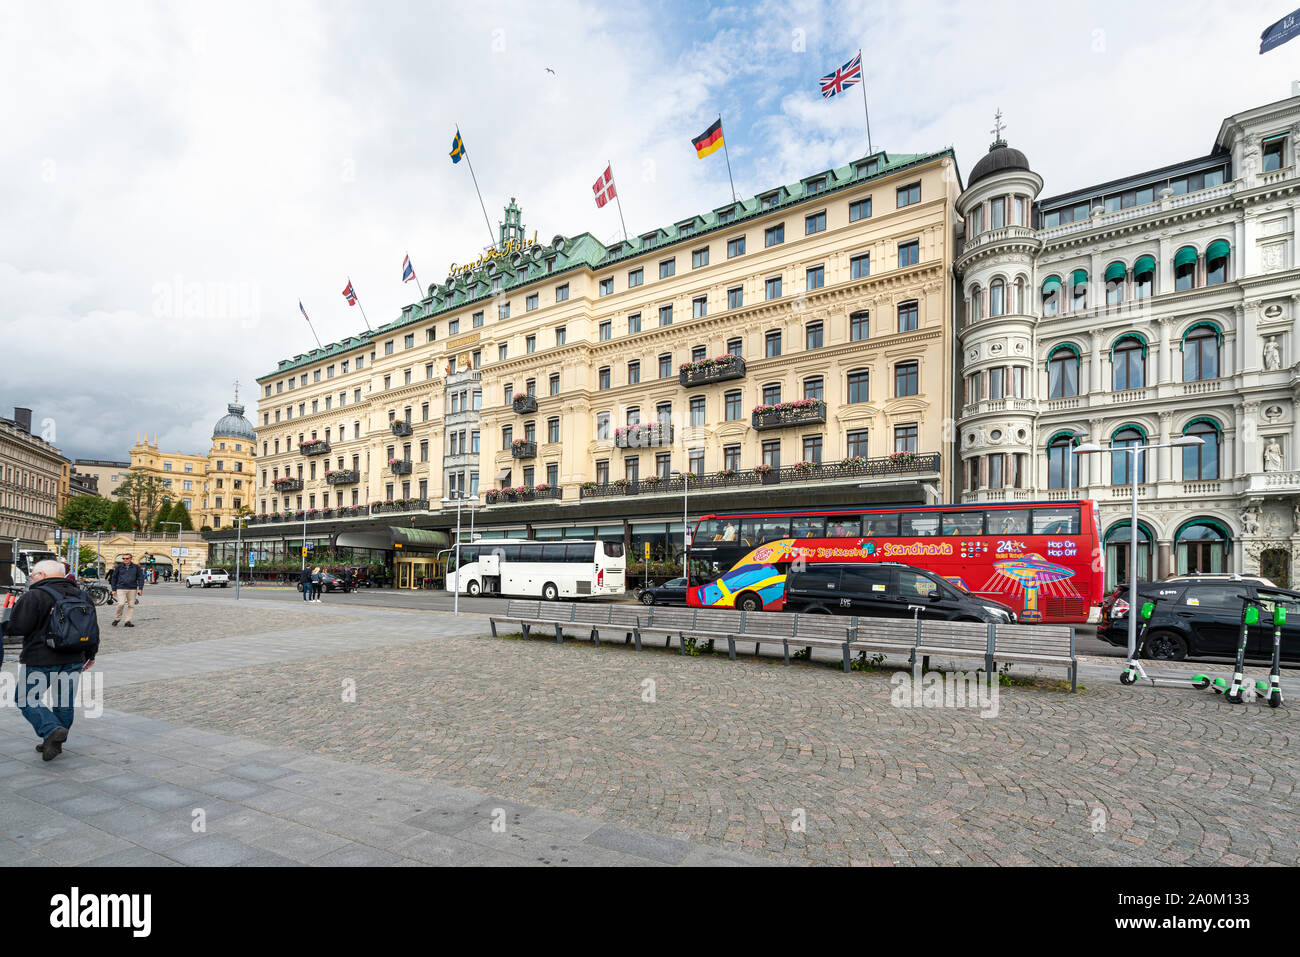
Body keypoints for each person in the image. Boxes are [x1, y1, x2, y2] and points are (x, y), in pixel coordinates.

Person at [9, 560, 98, 761]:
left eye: (33, 574)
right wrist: (91, 654)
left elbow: (18, 628)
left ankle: (51, 730)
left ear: (41, 574)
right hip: (75, 657)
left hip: (42, 658)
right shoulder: (82, 594)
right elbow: (92, 627)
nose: (31, 577)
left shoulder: (35, 595)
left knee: (25, 698)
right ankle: (55, 741)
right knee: (63, 701)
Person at [108, 553, 145, 628]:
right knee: (121, 604)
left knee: (131, 605)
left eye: (127, 558)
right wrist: (113, 589)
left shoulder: (136, 567)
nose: (125, 560)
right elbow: (114, 578)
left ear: (131, 559)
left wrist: (140, 589)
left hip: (132, 588)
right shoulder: (119, 567)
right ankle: (117, 618)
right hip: (121, 588)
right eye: (123, 558)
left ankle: (127, 621)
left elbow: (141, 578)